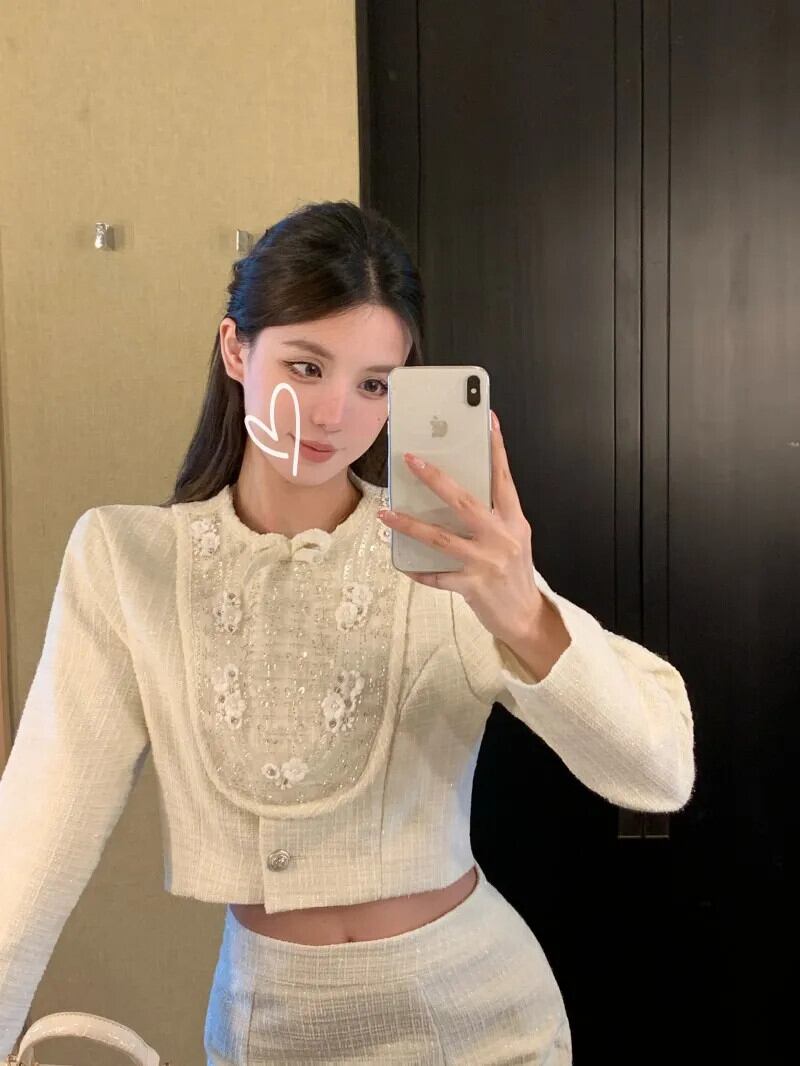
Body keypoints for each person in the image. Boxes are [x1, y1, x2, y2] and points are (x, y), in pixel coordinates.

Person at [0, 200, 695, 1064]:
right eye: (306, 365)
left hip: (480, 1020)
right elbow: (35, 835)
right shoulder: (126, 561)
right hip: (271, 1031)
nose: (333, 414)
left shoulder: (450, 557)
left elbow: (658, 772)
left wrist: (521, 607)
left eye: (374, 384)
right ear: (236, 350)